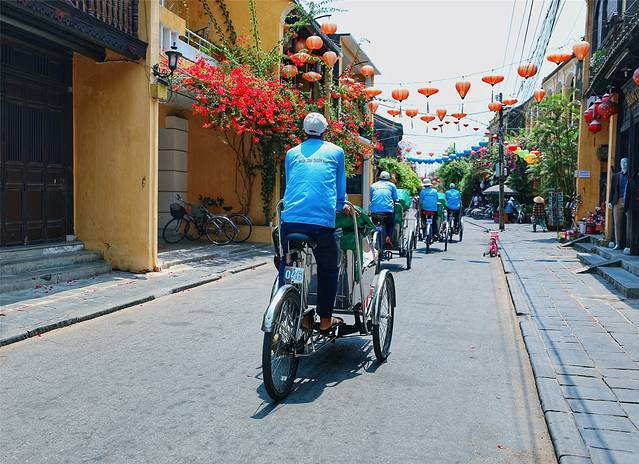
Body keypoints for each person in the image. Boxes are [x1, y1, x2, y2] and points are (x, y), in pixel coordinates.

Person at [280, 112, 350, 332]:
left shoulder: (291, 153)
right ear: (325, 131)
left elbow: (291, 182)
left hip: (290, 220)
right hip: (320, 224)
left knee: (287, 262)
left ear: (303, 131)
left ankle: (289, 305)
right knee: (328, 269)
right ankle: (326, 320)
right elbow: (340, 188)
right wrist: (341, 205)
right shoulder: (336, 152)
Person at [370, 170, 398, 248]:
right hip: (387, 211)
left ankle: (374, 237)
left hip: (375, 212)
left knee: (374, 224)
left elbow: (371, 198)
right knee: (390, 224)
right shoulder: (392, 186)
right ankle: (388, 237)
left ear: (379, 178)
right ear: (388, 178)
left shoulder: (373, 186)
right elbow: (395, 199)